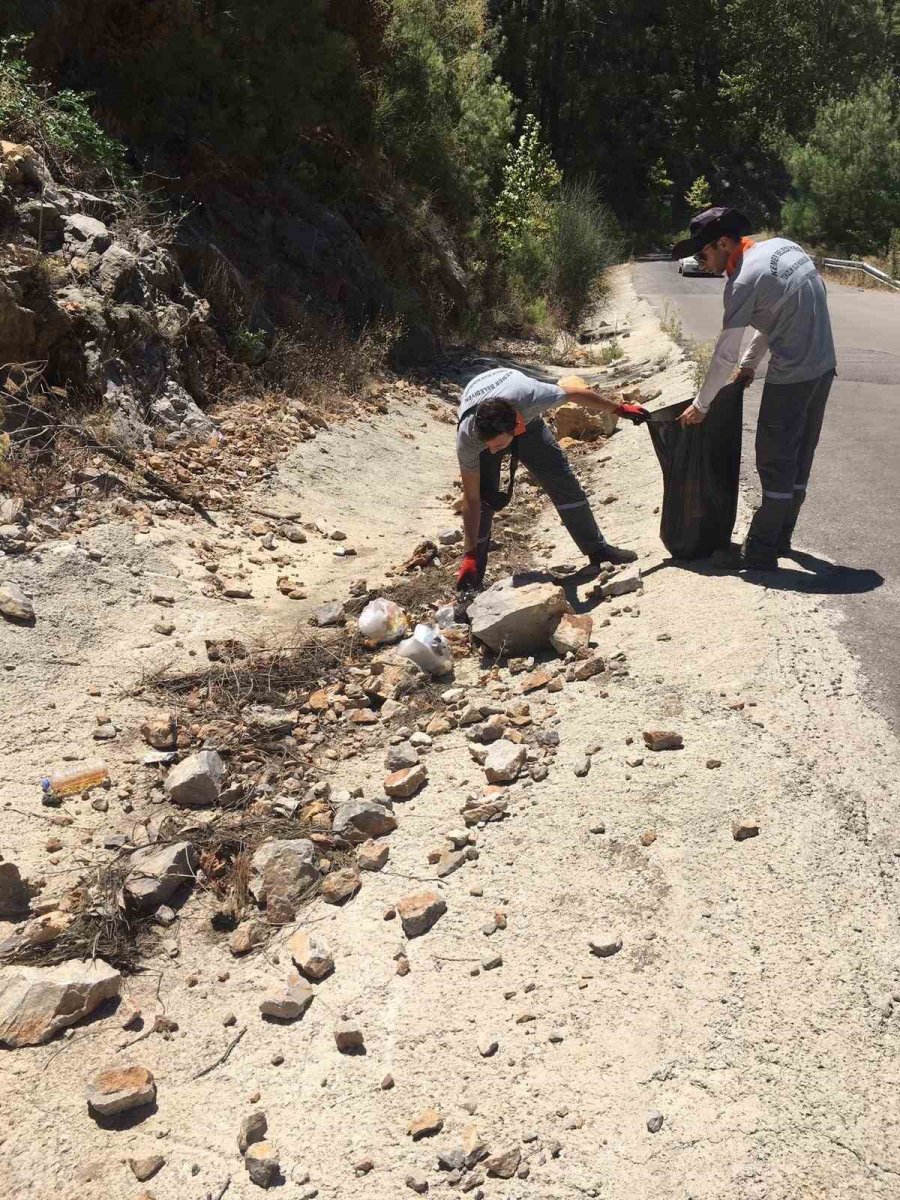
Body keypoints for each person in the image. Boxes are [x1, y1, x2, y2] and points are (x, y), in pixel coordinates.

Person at [672, 207, 836, 570]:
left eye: (703, 254)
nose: (703, 263)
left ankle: (759, 553)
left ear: (725, 242)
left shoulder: (743, 280)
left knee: (775, 461)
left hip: (793, 376)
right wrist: (749, 365)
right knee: (799, 459)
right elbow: (774, 317)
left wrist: (701, 405)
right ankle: (781, 537)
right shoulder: (783, 248)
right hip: (824, 369)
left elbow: (724, 352)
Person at [455, 366, 647, 590]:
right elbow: (471, 499)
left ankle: (598, 551)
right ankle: (471, 581)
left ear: (517, 428)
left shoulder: (533, 397)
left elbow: (575, 393)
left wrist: (620, 409)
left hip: (523, 414)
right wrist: (468, 554)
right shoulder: (469, 438)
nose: (494, 451)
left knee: (562, 479)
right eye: (490, 446)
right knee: (484, 501)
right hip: (489, 419)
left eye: (498, 446)